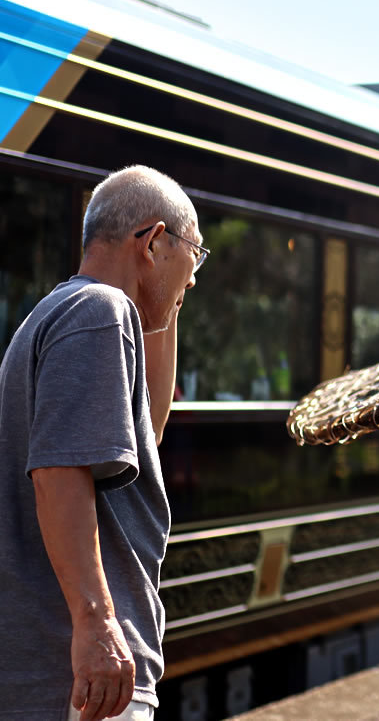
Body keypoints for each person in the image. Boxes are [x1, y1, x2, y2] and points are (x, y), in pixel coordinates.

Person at [0, 166, 207, 720]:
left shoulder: (65, 313)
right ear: (154, 241)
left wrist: (168, 298)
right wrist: (97, 625)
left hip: (66, 671)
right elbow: (58, 473)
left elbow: (149, 435)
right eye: (196, 253)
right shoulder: (99, 312)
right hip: (83, 675)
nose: (195, 275)